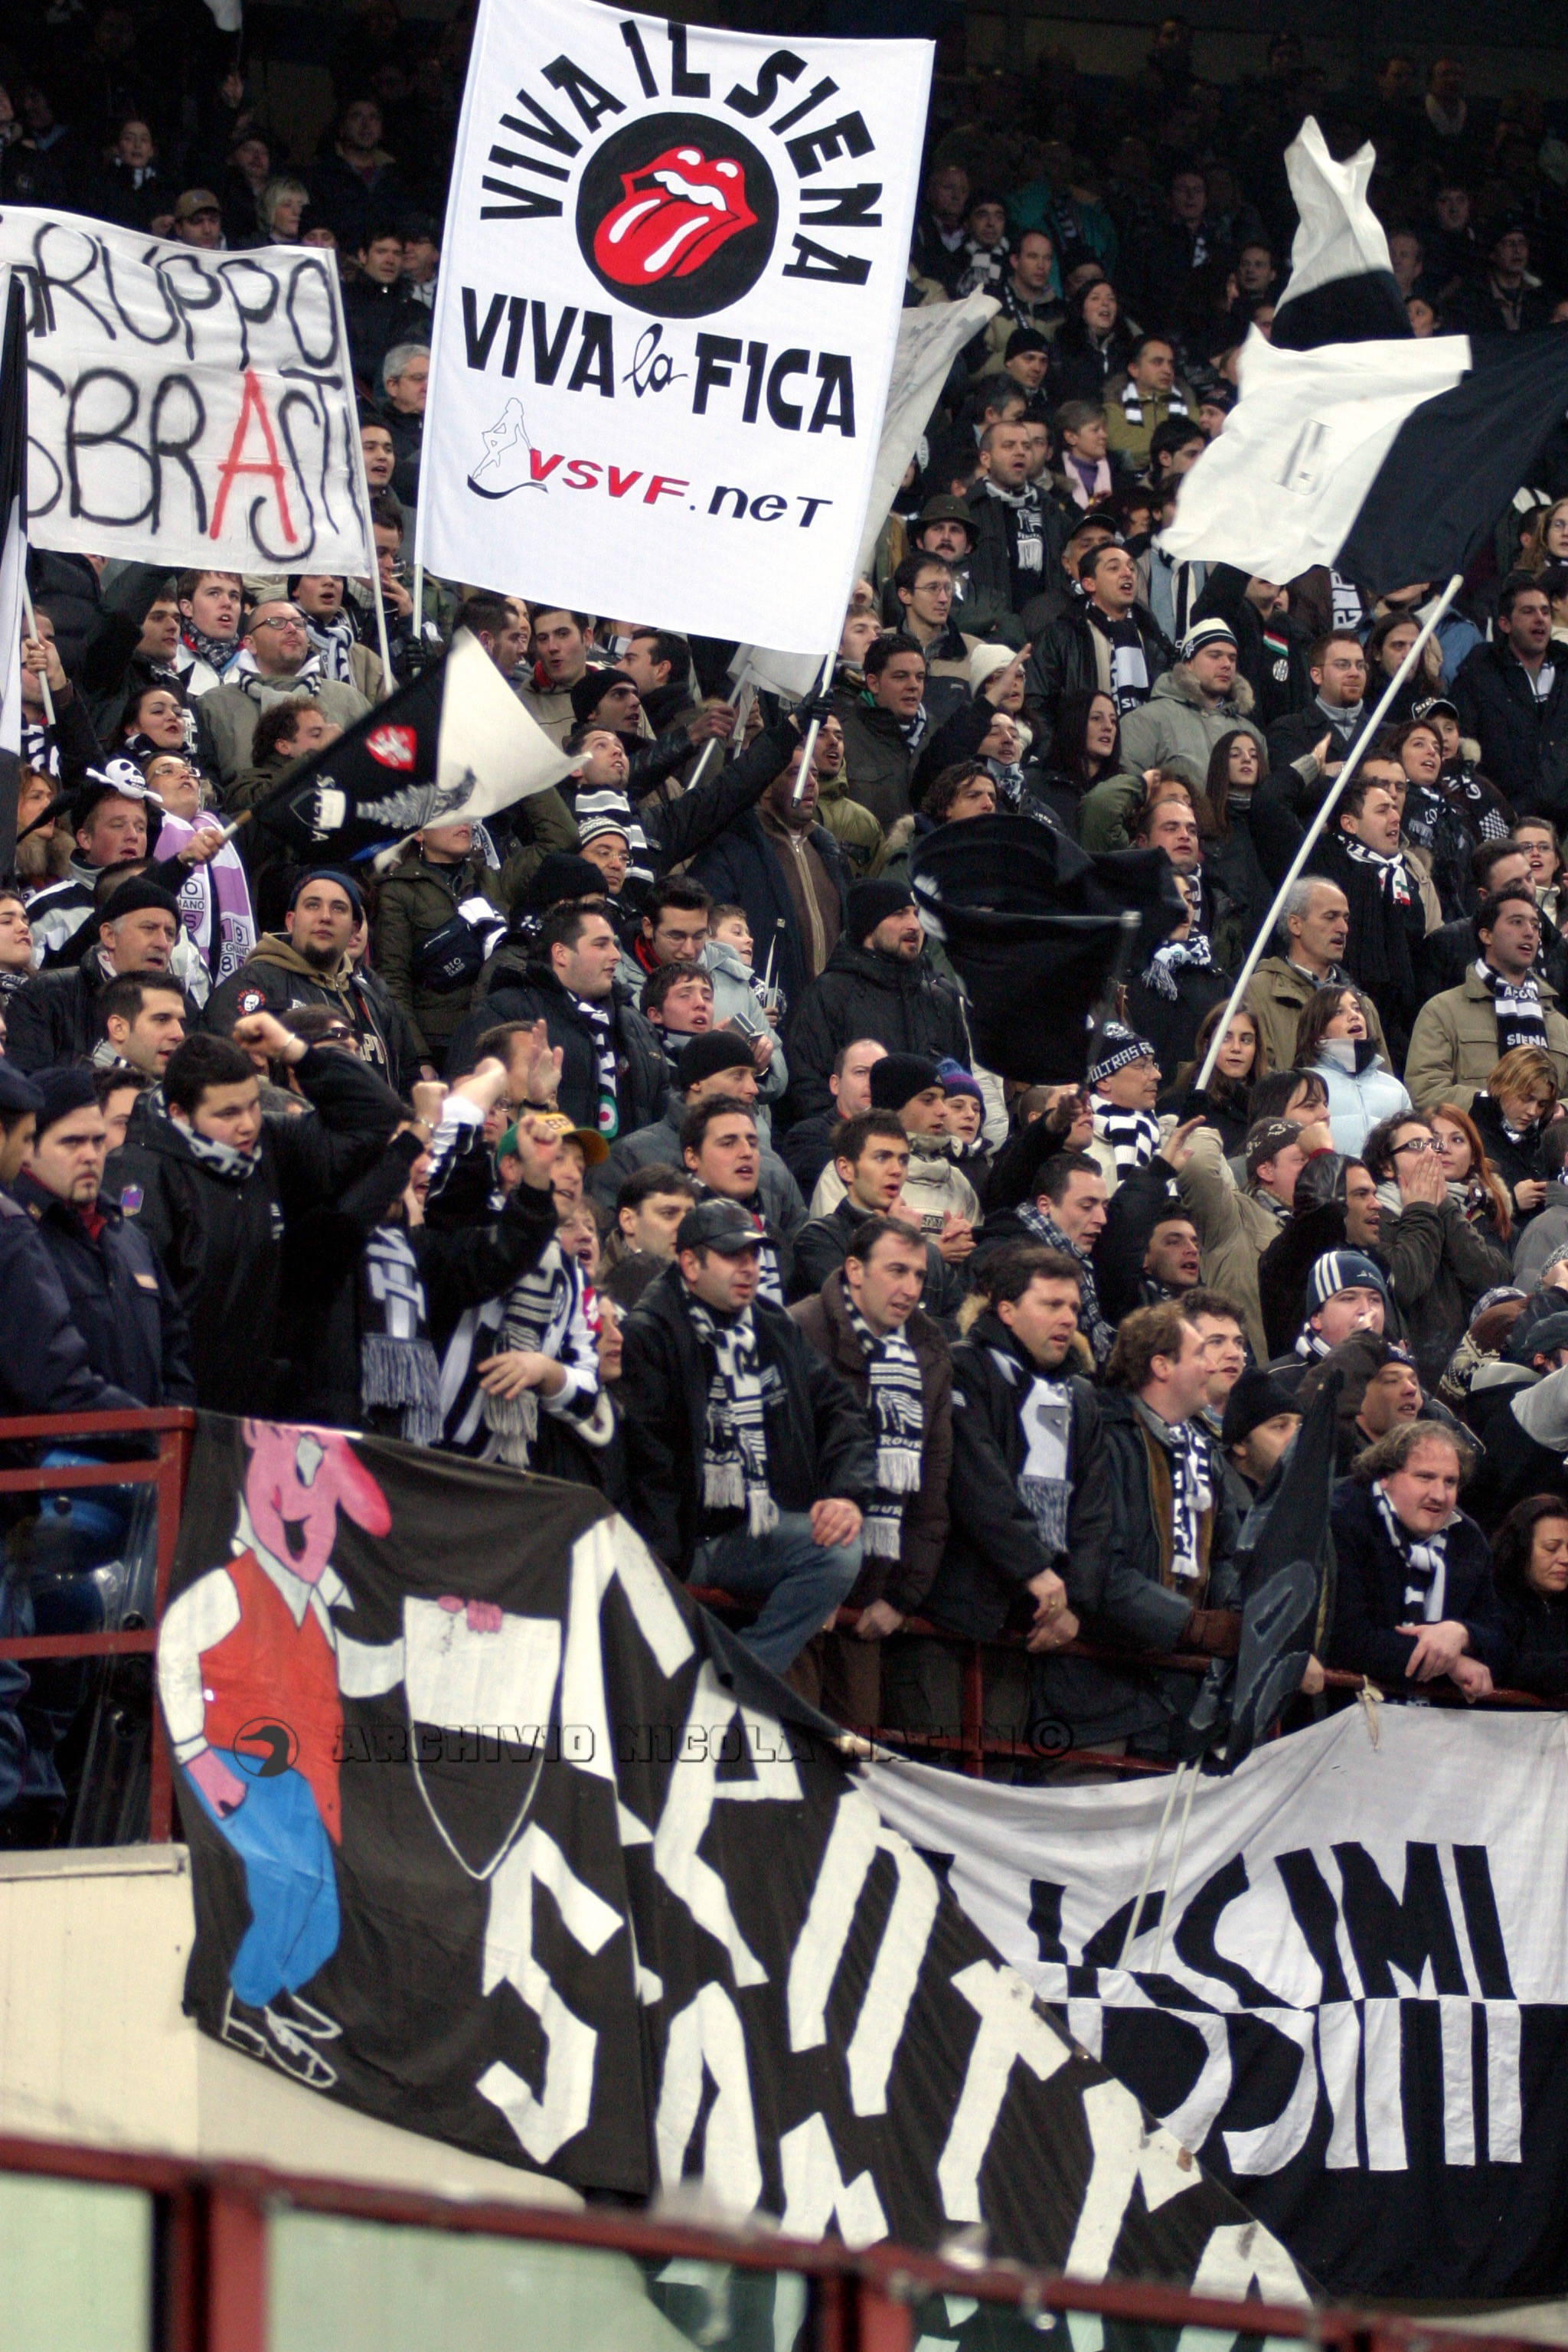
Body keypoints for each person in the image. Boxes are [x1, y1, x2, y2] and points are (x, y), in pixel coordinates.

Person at [617, 1197, 874, 1675]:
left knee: (839, 1549)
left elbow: (841, 1409)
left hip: (753, 1532)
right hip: (679, 1541)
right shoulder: (651, 1331)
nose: (749, 1267)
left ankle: (738, 1677)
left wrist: (845, 1493)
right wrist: (661, 1562)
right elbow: (648, 1461)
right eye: (732, 1255)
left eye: (754, 1255)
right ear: (690, 1264)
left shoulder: (774, 1326)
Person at [105, 1014, 402, 1413]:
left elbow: (376, 1117)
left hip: (258, 1409)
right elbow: (133, 1319)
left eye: (253, 1107)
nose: (247, 1125)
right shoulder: (141, 1175)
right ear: (178, 1113)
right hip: (177, 1412)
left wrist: (294, 1051)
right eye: (227, 1114)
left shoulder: (269, 1145)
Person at [1055, 1302, 1242, 1762]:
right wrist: (1192, 1626)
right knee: (1089, 1805)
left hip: (1179, 1698)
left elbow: (1227, 1557)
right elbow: (1102, 1569)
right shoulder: (1105, 1436)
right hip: (1099, 1694)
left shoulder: (1206, 1454)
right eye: (1200, 1353)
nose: (1212, 1366)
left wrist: (1234, 1616)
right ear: (1161, 1366)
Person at [789, 1214, 954, 1732]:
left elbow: (932, 1482)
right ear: (855, 1270)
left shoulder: (929, 1349)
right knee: (784, 1742)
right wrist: (806, 1577)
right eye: (897, 1271)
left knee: (854, 1750)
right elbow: (778, 1464)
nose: (910, 1289)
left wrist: (902, 1597)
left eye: (919, 1275)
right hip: (795, 1582)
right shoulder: (798, 1328)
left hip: (870, 1595)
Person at [13, 1067, 194, 1410]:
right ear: (28, 1149)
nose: (91, 1155)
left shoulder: (129, 1238)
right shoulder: (17, 1238)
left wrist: (165, 1427)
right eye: (71, 1142)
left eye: (97, 1141)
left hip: (146, 1440)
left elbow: (175, 1351)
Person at [447, 901, 667, 1143]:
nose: (616, 955)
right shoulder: (505, 1011)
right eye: (601, 944)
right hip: (538, 1161)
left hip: (627, 1166)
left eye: (614, 945)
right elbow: (468, 1101)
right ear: (561, 954)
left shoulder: (636, 1024)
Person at [207, 870, 420, 1095]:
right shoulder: (253, 985)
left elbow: (407, 1088)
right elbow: (220, 1075)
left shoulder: (377, 1003)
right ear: (290, 921)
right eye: (312, 905)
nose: (325, 916)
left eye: (339, 908)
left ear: (354, 930)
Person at [1328, 1423, 1504, 1696]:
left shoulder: (1468, 1539)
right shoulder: (1343, 1518)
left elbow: (1499, 1643)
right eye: (1425, 1477)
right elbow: (1347, 1642)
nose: (1439, 1495)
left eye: (1450, 1482)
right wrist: (1449, 1662)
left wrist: (1462, 1634)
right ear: (1384, 1476)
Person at [786, 880, 973, 1122]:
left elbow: (963, 1084)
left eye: (917, 915)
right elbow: (808, 1087)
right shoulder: (829, 994)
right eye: (899, 914)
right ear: (868, 927)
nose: (915, 925)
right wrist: (850, 1137)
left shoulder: (940, 998)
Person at [1361, 1112, 1513, 1389]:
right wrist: (1420, 1209)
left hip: (1461, 1375)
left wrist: (1443, 1207)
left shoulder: (1452, 1209)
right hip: (1411, 1380)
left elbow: (1495, 1280)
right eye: (1418, 1146)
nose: (1433, 1154)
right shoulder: (1372, 1221)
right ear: (1386, 1166)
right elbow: (1404, 1283)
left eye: (1433, 1145)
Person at [789, 1109, 969, 1325]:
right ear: (846, 1169)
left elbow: (959, 1327)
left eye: (903, 1160)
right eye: (882, 1158)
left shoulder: (928, 1252)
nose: (896, 1170)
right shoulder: (818, 1239)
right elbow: (864, 1318)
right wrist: (900, 1241)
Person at [1305, 764, 1431, 1065]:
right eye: (1382, 810)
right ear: (1349, 824)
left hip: (1395, 1024)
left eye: (1395, 808)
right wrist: (1327, 774)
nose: (1395, 817)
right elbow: (1275, 806)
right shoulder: (1324, 861)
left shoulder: (1402, 876)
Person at [1406, 888, 1568, 1112]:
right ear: (1486, 935)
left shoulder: (1559, 1023)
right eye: (1516, 922)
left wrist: (1559, 1110)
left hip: (1547, 1135)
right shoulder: (1443, 1011)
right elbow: (1425, 1090)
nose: (1529, 933)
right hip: (1472, 1133)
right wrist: (1496, 1104)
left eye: (1535, 925)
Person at [7, 877, 189, 1075]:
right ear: (109, 936)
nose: (162, 943)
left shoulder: (187, 1012)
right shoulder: (46, 996)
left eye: (170, 933)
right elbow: (27, 1085)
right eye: (149, 928)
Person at [197, 600, 371, 787]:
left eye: (299, 623)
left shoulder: (348, 698)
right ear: (250, 644)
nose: (292, 629)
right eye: (276, 623)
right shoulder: (215, 705)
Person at [1023, 541, 1173, 741]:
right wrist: (1058, 752)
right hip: (1079, 754)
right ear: (1089, 584)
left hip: (1146, 749)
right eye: (1114, 568)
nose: (1127, 573)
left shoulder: (1153, 638)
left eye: (1131, 568)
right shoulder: (1061, 636)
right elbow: (1037, 704)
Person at [1244, 876, 1394, 1076]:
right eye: (1331, 917)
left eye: (1346, 918)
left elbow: (1384, 1080)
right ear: (1295, 924)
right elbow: (1256, 1076)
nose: (1343, 928)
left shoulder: (1361, 1004)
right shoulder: (1257, 992)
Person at [978, 1148, 1116, 1364]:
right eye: (1087, 1206)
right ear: (1045, 1205)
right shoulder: (998, 1255)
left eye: (1104, 1207)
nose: (1102, 1219)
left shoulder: (1083, 1261)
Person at [1452, 575, 1568, 815]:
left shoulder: (1565, 666)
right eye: (1528, 611)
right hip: (1505, 813)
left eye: (1545, 611)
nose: (1540, 618)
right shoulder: (1480, 671)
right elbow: (1463, 737)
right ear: (1505, 624)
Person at [1117, 619, 1267, 792]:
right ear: (1188, 663)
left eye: (1232, 658)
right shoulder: (1146, 721)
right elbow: (1128, 792)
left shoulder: (1251, 732)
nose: (1227, 664)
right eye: (1215, 655)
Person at [1295, 984, 1412, 1156]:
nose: (1354, 1016)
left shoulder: (1395, 1089)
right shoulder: (1304, 1084)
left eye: (1357, 1009)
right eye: (1338, 1012)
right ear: (1319, 1031)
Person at [776, 1038, 887, 1198]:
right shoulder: (806, 1136)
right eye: (861, 1072)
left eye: (880, 1074)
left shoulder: (902, 1137)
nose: (871, 1081)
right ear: (835, 1084)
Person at [1491, 1496, 1568, 1695]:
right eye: (1551, 1548)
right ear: (1521, 1549)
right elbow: (1503, 1667)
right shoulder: (1492, 1601)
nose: (1565, 1559)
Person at [1102, 335, 1191, 472]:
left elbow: (1197, 450)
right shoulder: (1113, 407)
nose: (1167, 370)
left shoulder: (1189, 406)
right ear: (1134, 369)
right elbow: (1126, 450)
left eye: (1170, 364)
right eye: (1157, 362)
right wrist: (1178, 447)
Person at [1220, 1366, 1302, 1504]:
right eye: (1280, 1426)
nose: (1297, 1436)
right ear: (1240, 1444)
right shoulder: (1215, 1503)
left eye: (1300, 1425)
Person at [92, 975, 187, 1080]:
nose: (180, 1034)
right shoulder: (88, 1088)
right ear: (118, 1028)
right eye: (162, 1019)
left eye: (181, 1022)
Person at [603, 1165, 697, 1269]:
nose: (685, 1226)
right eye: (669, 1214)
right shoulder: (599, 1277)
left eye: (691, 1216)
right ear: (628, 1221)